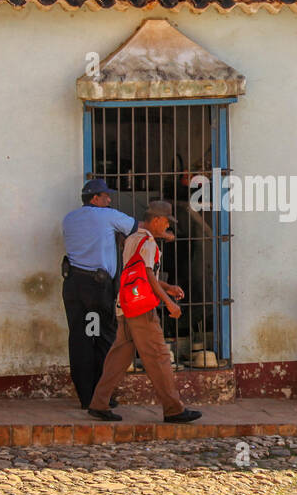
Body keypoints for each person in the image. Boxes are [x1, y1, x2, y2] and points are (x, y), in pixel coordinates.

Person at [87, 201, 201, 424]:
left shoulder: (133, 238)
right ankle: (173, 408)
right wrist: (168, 302)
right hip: (142, 310)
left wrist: (168, 287)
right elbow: (148, 276)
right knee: (159, 357)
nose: (168, 226)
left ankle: (98, 403)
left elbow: (138, 273)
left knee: (118, 357)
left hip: (126, 305)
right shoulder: (148, 243)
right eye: (167, 222)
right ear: (157, 220)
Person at [61, 178, 138, 410]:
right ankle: (100, 396)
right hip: (96, 288)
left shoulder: (70, 218)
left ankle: (87, 396)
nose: (109, 200)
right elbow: (136, 227)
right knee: (103, 339)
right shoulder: (106, 215)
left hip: (74, 284)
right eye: (105, 196)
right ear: (94, 199)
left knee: (81, 338)